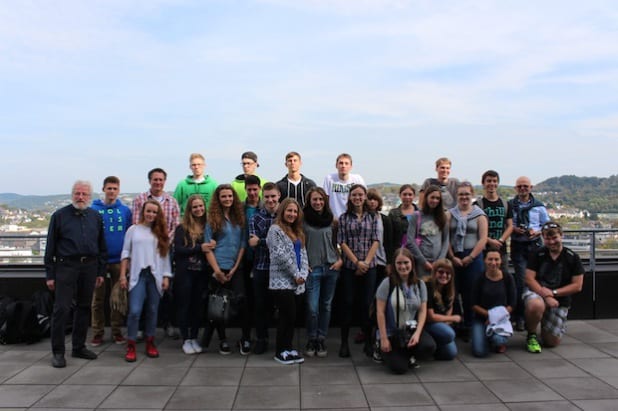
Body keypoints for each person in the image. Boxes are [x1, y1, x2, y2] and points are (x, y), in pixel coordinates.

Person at [45, 181, 107, 368]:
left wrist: (100, 271)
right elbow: (50, 247)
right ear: (72, 194)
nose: (81, 197)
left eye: (84, 194)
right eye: (77, 193)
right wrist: (50, 274)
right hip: (66, 267)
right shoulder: (59, 216)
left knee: (84, 307)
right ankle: (58, 352)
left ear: (90, 196)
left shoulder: (95, 217)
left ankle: (79, 347)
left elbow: (101, 246)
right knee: (61, 309)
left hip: (89, 267)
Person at [120, 200, 172, 362]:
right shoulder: (133, 230)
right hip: (138, 275)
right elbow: (125, 252)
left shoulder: (160, 232)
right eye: (149, 211)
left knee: (152, 310)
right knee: (135, 311)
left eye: (155, 212)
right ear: (143, 211)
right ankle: (131, 343)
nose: (151, 215)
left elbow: (165, 256)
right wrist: (123, 275)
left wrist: (165, 276)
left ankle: (150, 341)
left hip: (154, 276)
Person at [132, 167, 180, 339]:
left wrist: (165, 243)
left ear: (164, 181)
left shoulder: (172, 201)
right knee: (142, 289)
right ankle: (141, 327)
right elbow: (136, 224)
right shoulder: (140, 200)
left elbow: (175, 225)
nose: (158, 182)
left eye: (161, 179)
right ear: (149, 180)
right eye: (155, 179)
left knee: (166, 289)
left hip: (165, 251)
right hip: (144, 253)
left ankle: (167, 323)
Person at [523, 221, 584, 353]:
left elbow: (577, 286)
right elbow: (529, 278)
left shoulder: (572, 257)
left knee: (551, 342)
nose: (551, 242)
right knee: (535, 305)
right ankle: (531, 334)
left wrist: (553, 293)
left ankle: (548, 323)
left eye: (554, 238)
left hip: (559, 299)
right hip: (538, 293)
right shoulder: (537, 254)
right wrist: (545, 294)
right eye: (547, 238)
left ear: (561, 236)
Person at [203, 184, 249, 355]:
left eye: (230, 196)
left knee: (242, 302)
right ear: (218, 198)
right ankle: (222, 340)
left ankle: (245, 339)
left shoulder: (240, 218)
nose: (227, 199)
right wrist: (217, 271)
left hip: (236, 267)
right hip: (218, 267)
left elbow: (243, 244)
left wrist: (235, 268)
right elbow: (207, 247)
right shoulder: (212, 219)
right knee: (218, 307)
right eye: (224, 196)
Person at [375, 248, 436, 374]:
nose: (403, 266)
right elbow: (380, 312)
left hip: (409, 331)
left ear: (412, 263)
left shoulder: (420, 284)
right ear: (394, 265)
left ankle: (407, 353)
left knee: (429, 346)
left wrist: (417, 333)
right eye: (399, 263)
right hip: (391, 332)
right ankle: (379, 347)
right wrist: (384, 338)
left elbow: (422, 311)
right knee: (399, 369)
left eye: (406, 262)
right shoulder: (387, 283)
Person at [336, 184, 379, 358]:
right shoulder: (344, 218)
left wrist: (366, 263)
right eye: (354, 195)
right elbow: (342, 242)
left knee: (367, 304)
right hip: (349, 267)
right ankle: (344, 343)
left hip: (370, 266)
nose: (358, 198)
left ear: (365, 197)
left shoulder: (374, 217)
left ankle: (368, 342)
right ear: (350, 197)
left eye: (361, 195)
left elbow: (376, 240)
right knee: (347, 303)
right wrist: (356, 262)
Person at [90, 176, 132, 346]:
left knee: (117, 298)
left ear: (119, 190)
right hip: (99, 261)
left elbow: (130, 235)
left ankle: (117, 331)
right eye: (109, 188)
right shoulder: (93, 209)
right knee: (97, 299)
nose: (112, 191)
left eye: (115, 189)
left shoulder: (125, 211)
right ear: (103, 189)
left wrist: (128, 259)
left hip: (119, 260)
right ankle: (97, 332)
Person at [266, 198, 309, 364]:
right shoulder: (275, 230)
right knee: (286, 316)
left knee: (292, 317)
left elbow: (303, 255)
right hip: (282, 280)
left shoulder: (298, 231)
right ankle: (280, 351)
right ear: (282, 211)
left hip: (297, 281)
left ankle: (288, 347)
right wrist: (296, 274)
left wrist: (303, 274)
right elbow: (279, 255)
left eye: (295, 211)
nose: (292, 214)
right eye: (289, 210)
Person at [302, 187, 342, 357]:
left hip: (331, 267)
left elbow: (339, 242)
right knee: (312, 308)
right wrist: (303, 264)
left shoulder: (333, 221)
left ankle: (321, 338)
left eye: (320, 199)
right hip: (313, 268)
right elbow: (299, 244)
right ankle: (312, 337)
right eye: (314, 199)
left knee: (326, 305)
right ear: (309, 201)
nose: (318, 202)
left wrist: (341, 260)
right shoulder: (303, 221)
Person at [173, 195, 214, 355]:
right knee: (184, 306)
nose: (198, 209)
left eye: (200, 206)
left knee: (197, 307)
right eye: (195, 207)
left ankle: (194, 337)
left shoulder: (208, 227)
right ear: (190, 209)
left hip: (201, 273)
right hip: (185, 273)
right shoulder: (182, 228)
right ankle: (185, 339)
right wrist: (199, 248)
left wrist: (212, 245)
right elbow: (178, 250)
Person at [509, 176, 550, 331]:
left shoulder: (539, 206)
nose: (522, 189)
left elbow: (547, 225)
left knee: (536, 282)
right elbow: (507, 224)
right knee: (521, 282)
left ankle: (534, 315)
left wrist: (537, 232)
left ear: (531, 187)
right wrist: (514, 229)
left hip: (535, 247)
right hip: (518, 246)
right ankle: (520, 317)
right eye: (519, 186)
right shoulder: (510, 205)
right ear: (515, 188)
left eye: (525, 186)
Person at [448, 181, 488, 331]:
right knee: (453, 291)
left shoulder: (479, 215)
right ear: (456, 196)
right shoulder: (450, 214)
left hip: (473, 257)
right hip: (454, 257)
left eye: (467, 194)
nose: (464, 197)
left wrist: (470, 257)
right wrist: (452, 257)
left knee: (471, 293)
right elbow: (445, 238)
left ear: (472, 195)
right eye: (461, 194)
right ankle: (457, 323)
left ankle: (471, 325)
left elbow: (483, 239)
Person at [248, 182, 280, 354]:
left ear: (278, 196)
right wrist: (270, 242)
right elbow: (252, 244)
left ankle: (281, 340)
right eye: (267, 197)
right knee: (260, 306)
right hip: (261, 266)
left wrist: (261, 241)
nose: (270, 200)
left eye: (273, 196)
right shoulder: (256, 217)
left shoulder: (285, 215)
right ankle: (262, 339)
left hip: (282, 269)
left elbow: (286, 242)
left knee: (281, 307)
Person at [470, 250, 516, 357]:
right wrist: (489, 316)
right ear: (484, 261)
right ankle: (485, 336)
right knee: (479, 352)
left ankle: (497, 339)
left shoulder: (508, 278)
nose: (493, 262)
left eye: (496, 259)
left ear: (501, 261)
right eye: (490, 259)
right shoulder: (479, 279)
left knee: (498, 340)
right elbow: (473, 304)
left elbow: (512, 304)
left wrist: (496, 317)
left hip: (501, 319)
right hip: (482, 318)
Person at [405, 185, 450, 280]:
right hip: (421, 262)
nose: (434, 200)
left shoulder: (443, 217)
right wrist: (423, 261)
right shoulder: (416, 216)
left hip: (438, 262)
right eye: (432, 197)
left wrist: (440, 260)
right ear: (426, 198)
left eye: (437, 198)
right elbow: (410, 240)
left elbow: (446, 240)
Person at [478, 170, 513, 275]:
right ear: (483, 183)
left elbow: (510, 226)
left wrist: (501, 240)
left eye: (494, 181)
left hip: (501, 250)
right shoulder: (477, 205)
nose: (492, 184)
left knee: (504, 277)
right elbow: (476, 228)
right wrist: (489, 241)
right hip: (483, 250)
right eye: (489, 181)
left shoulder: (505, 204)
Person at [425, 259, 460, 360]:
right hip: (427, 324)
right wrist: (453, 318)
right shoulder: (428, 287)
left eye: (448, 273)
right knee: (449, 334)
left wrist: (448, 319)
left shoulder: (449, 289)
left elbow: (449, 311)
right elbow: (430, 317)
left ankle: (435, 347)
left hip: (441, 323)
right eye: (441, 272)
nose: (444, 275)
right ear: (434, 272)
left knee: (451, 353)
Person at [323, 153, 366, 218]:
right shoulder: (329, 179)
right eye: (341, 163)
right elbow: (325, 200)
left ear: (351, 166)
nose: (343, 166)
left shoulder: (358, 179)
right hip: (334, 219)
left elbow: (364, 198)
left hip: (353, 219)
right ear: (336, 165)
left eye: (346, 163)